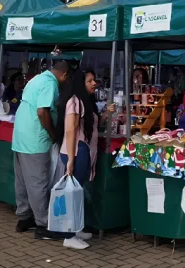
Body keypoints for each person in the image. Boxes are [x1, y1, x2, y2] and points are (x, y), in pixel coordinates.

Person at [53, 70, 114, 249]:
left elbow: (93, 126)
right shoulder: (74, 102)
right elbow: (70, 131)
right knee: (72, 193)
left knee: (77, 192)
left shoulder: (85, 102)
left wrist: (106, 114)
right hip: (76, 152)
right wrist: (71, 160)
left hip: (82, 151)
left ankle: (76, 228)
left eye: (94, 80)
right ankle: (68, 236)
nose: (94, 83)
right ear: (81, 83)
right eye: (90, 81)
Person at [12, 61, 69, 240]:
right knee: (37, 183)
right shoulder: (50, 84)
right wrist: (53, 134)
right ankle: (43, 225)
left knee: (22, 181)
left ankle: (24, 217)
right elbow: (42, 112)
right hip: (34, 139)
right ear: (64, 75)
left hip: (20, 136)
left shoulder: (36, 79)